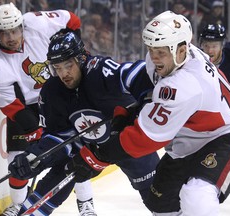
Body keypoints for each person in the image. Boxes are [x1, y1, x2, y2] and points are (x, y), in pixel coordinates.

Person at [66, 11, 230, 215]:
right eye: (151, 49)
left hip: (223, 137)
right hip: (185, 143)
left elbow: (143, 139)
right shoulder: (177, 57)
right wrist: (133, 110)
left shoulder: (185, 85)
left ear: (181, 50)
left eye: (161, 52)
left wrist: (97, 156)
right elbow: (149, 87)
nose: (154, 57)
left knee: (197, 196)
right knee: (160, 203)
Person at [8, 31, 160, 215]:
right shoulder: (52, 92)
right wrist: (37, 157)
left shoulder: (99, 71)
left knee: (159, 198)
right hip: (89, 149)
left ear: (81, 59)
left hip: (126, 141)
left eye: (68, 65)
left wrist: (148, 97)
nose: (64, 73)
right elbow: (59, 137)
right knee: (61, 172)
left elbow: (136, 73)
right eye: (57, 67)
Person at [0, 3, 96, 216]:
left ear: (21, 25)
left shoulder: (37, 22)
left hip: (64, 92)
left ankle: (85, 201)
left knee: (77, 150)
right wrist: (36, 131)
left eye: (14, 30)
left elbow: (72, 20)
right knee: (19, 157)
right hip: (30, 106)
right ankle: (19, 203)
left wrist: (75, 51)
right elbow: (11, 106)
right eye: (4, 33)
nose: (10, 37)